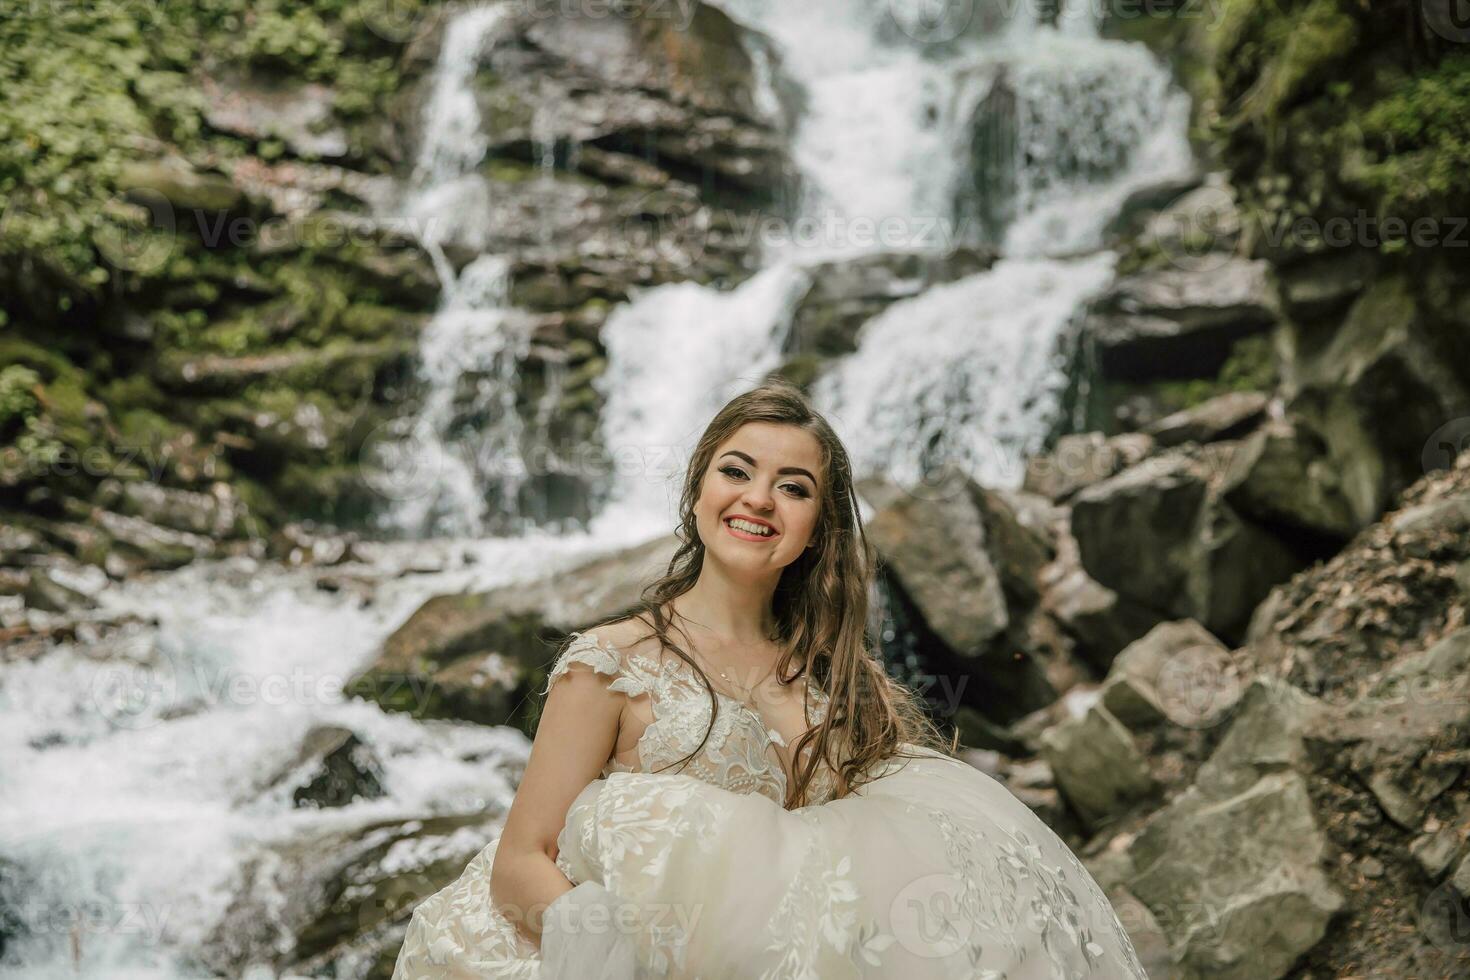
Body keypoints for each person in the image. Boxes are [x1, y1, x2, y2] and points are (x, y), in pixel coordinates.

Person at [391, 380, 1149, 979]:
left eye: (793, 487)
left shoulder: (835, 688)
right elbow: (518, 861)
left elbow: (859, 880)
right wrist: (602, 951)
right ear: (698, 491)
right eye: (737, 471)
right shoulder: (612, 662)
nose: (759, 498)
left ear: (817, 527)